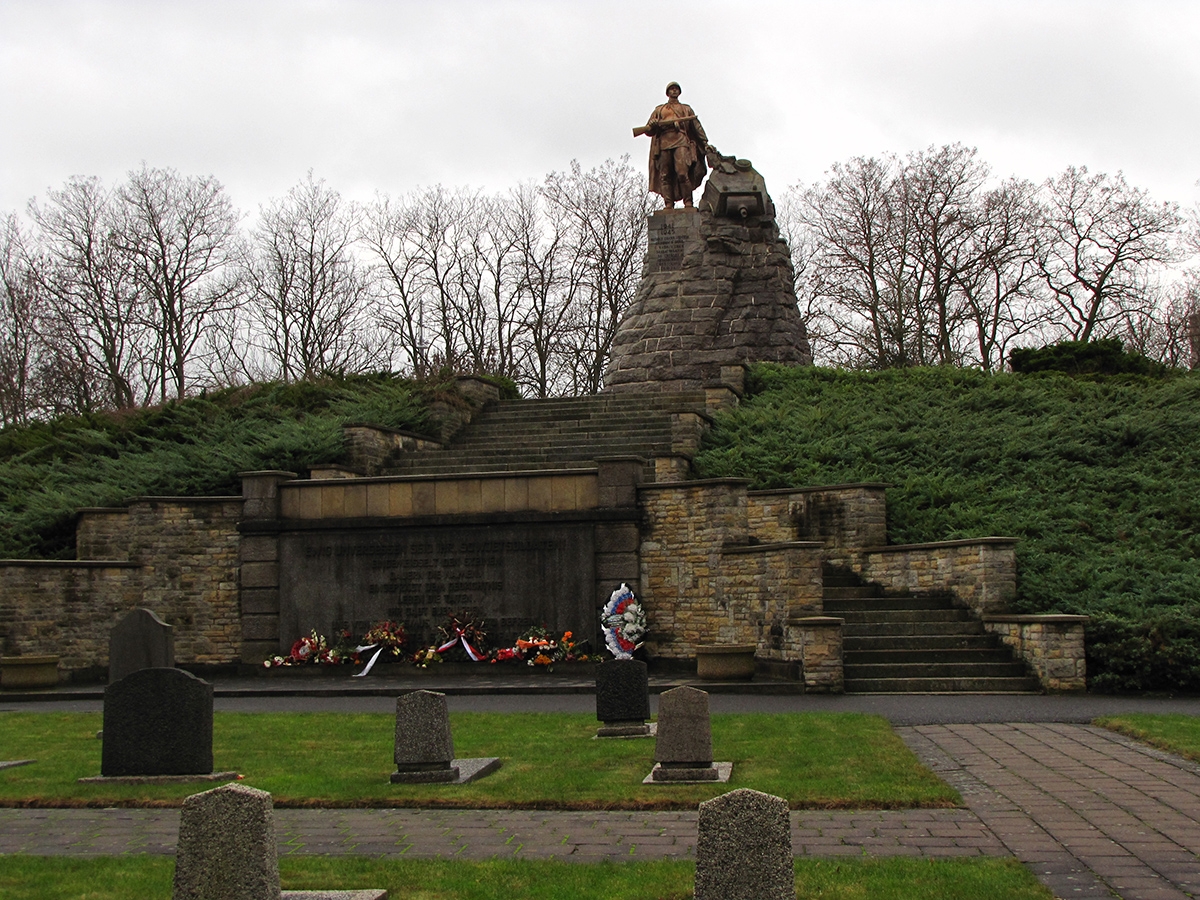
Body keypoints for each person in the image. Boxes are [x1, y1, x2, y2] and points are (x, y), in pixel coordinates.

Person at [643, 82, 708, 209]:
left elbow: (697, 127)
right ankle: (668, 203)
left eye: (676, 89)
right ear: (667, 93)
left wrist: (705, 142)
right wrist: (653, 123)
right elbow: (648, 130)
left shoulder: (686, 109)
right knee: (665, 175)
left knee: (682, 172)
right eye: (671, 89)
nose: (674, 91)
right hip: (663, 144)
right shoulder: (659, 109)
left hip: (681, 141)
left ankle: (688, 202)